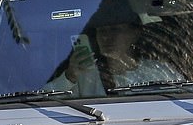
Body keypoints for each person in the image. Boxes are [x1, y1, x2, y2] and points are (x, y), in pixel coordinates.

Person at [45, 17, 181, 97]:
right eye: (101, 31)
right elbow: (43, 102)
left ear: (135, 32)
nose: (106, 37)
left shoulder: (157, 72)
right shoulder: (84, 74)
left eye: (115, 30)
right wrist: (70, 76)